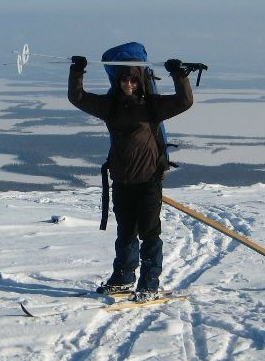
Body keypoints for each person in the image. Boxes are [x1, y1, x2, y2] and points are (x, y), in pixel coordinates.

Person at [68, 54, 194, 299]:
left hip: (148, 181)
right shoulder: (110, 106)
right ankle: (123, 278)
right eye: (124, 80)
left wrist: (178, 75)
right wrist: (77, 71)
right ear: (118, 81)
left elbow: (184, 101)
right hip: (122, 182)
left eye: (133, 81)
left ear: (140, 82)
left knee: (149, 234)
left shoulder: (151, 106)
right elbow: (78, 98)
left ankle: (149, 283)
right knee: (126, 232)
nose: (128, 85)